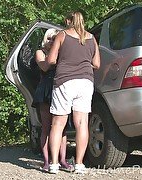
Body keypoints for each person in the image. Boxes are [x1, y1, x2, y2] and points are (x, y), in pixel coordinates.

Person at [46, 11, 100, 174]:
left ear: (69, 21)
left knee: (58, 123)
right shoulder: (91, 38)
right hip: (85, 82)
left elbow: (51, 60)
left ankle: (54, 164)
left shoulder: (62, 35)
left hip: (65, 81)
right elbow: (96, 64)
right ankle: (79, 164)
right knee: (82, 123)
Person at [32, 28, 73, 172]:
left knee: (62, 128)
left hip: (61, 88)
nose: (51, 41)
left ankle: (62, 159)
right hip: (45, 89)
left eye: (54, 39)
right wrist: (53, 52)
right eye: (49, 38)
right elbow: (44, 66)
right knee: (46, 127)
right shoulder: (40, 52)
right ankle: (46, 160)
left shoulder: (62, 52)